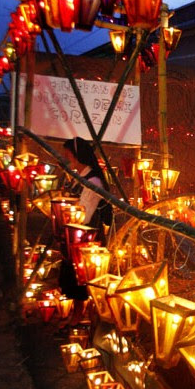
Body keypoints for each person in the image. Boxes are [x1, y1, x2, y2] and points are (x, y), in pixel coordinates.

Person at [58, 137, 112, 328]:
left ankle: (84, 314)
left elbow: (85, 214)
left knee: (83, 277)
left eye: (69, 156)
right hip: (76, 234)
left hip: (88, 237)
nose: (68, 160)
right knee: (74, 275)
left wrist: (67, 212)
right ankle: (78, 311)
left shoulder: (93, 181)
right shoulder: (79, 178)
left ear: (78, 157)